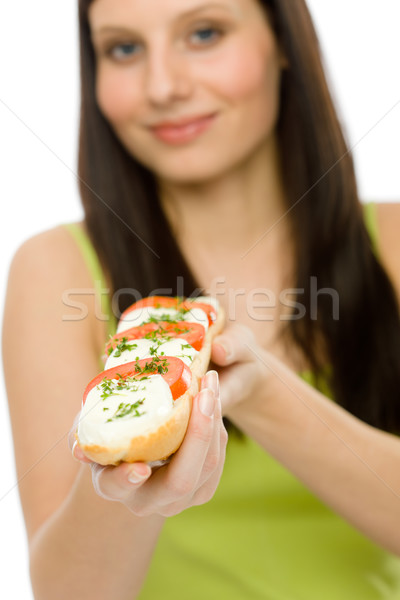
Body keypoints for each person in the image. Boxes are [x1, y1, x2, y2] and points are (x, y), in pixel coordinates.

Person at [3, 0, 400, 598]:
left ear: (285, 39)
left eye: (205, 33)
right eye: (124, 48)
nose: (163, 86)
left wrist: (258, 389)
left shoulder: (392, 243)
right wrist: (126, 482)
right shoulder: (53, 268)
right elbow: (66, 592)